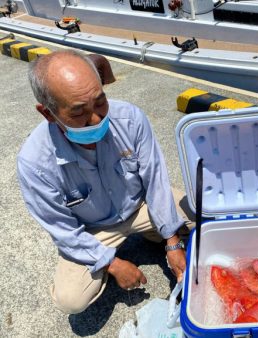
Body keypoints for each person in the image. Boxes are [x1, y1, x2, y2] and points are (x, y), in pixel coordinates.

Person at [17, 50, 192, 314]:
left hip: (138, 206)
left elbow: (154, 179)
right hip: (92, 230)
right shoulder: (34, 163)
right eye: (78, 113)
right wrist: (112, 264)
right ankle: (115, 256)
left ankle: (155, 234)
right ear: (48, 114)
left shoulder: (130, 119)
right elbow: (63, 230)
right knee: (71, 300)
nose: (97, 119)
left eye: (100, 102)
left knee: (204, 211)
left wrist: (172, 240)